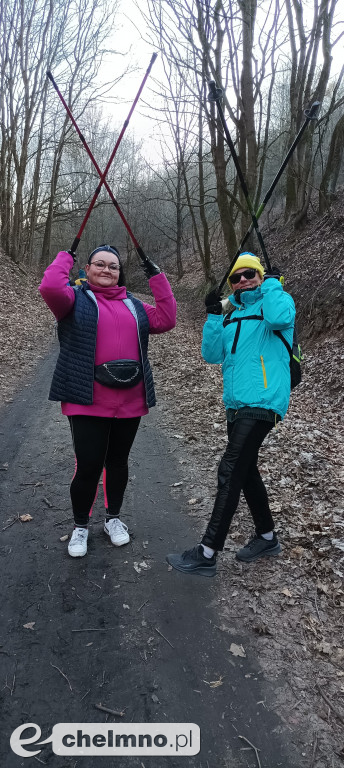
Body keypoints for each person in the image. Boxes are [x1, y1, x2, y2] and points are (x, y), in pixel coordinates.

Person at [39, 245, 177, 558]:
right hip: (86, 399)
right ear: (86, 269)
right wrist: (66, 256)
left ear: (119, 272)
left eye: (113, 266)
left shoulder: (135, 305)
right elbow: (49, 286)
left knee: (117, 462)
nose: (106, 270)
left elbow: (168, 318)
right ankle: (80, 526)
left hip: (130, 398)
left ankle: (113, 519)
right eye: (99, 264)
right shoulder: (73, 301)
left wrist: (156, 275)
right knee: (88, 465)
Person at [167, 252, 295, 577]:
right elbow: (211, 355)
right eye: (235, 278)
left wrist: (273, 286)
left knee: (229, 470)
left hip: (264, 402)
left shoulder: (274, 302)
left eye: (249, 274)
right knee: (246, 469)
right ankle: (267, 537)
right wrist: (212, 315)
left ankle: (207, 551)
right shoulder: (232, 313)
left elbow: (281, 319)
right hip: (236, 405)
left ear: (260, 275)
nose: (241, 281)